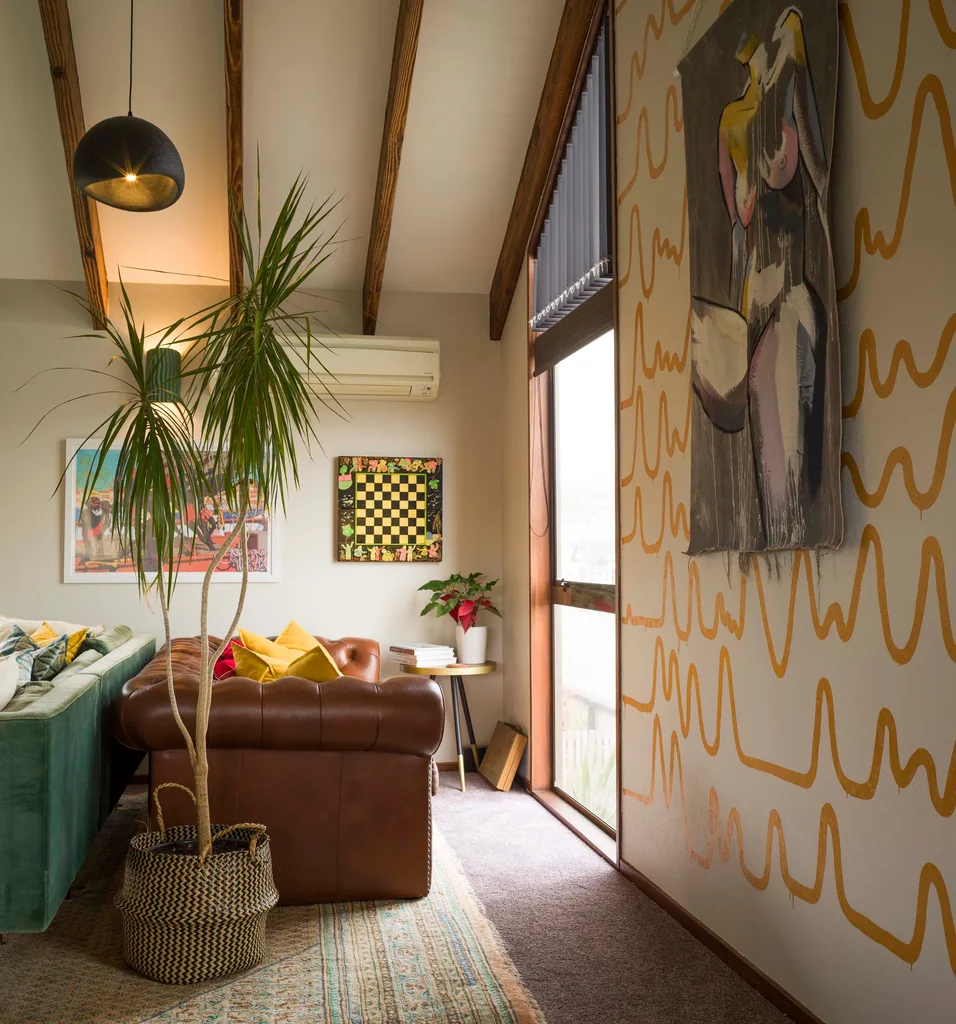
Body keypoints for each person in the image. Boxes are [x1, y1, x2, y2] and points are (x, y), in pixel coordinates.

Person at [692, 6, 831, 548]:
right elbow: (739, 209)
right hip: (760, 310)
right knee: (777, 515)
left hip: (786, 301)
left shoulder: (783, 86)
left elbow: (796, 167)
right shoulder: (738, 122)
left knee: (787, 513)